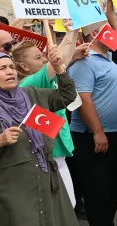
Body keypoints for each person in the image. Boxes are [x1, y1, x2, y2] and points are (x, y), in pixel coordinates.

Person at [0, 49, 82, 226]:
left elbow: (67, 96)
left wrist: (60, 69)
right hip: (13, 192)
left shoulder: (31, 94)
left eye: (10, 67)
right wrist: (1, 140)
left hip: (46, 182)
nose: (8, 72)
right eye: (2, 69)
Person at [67, 21, 117, 226]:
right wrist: (98, 132)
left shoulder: (108, 61)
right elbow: (83, 98)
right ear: (95, 33)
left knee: (113, 182)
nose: (114, 33)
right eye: (108, 29)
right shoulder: (84, 62)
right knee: (98, 185)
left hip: (114, 134)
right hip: (92, 135)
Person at [13, 20, 89, 208]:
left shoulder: (39, 79)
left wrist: (72, 32)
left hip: (56, 153)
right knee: (61, 207)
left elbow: (60, 59)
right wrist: (73, 31)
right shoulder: (30, 82)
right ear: (23, 66)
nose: (45, 59)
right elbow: (58, 59)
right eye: (38, 58)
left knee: (65, 206)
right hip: (47, 157)